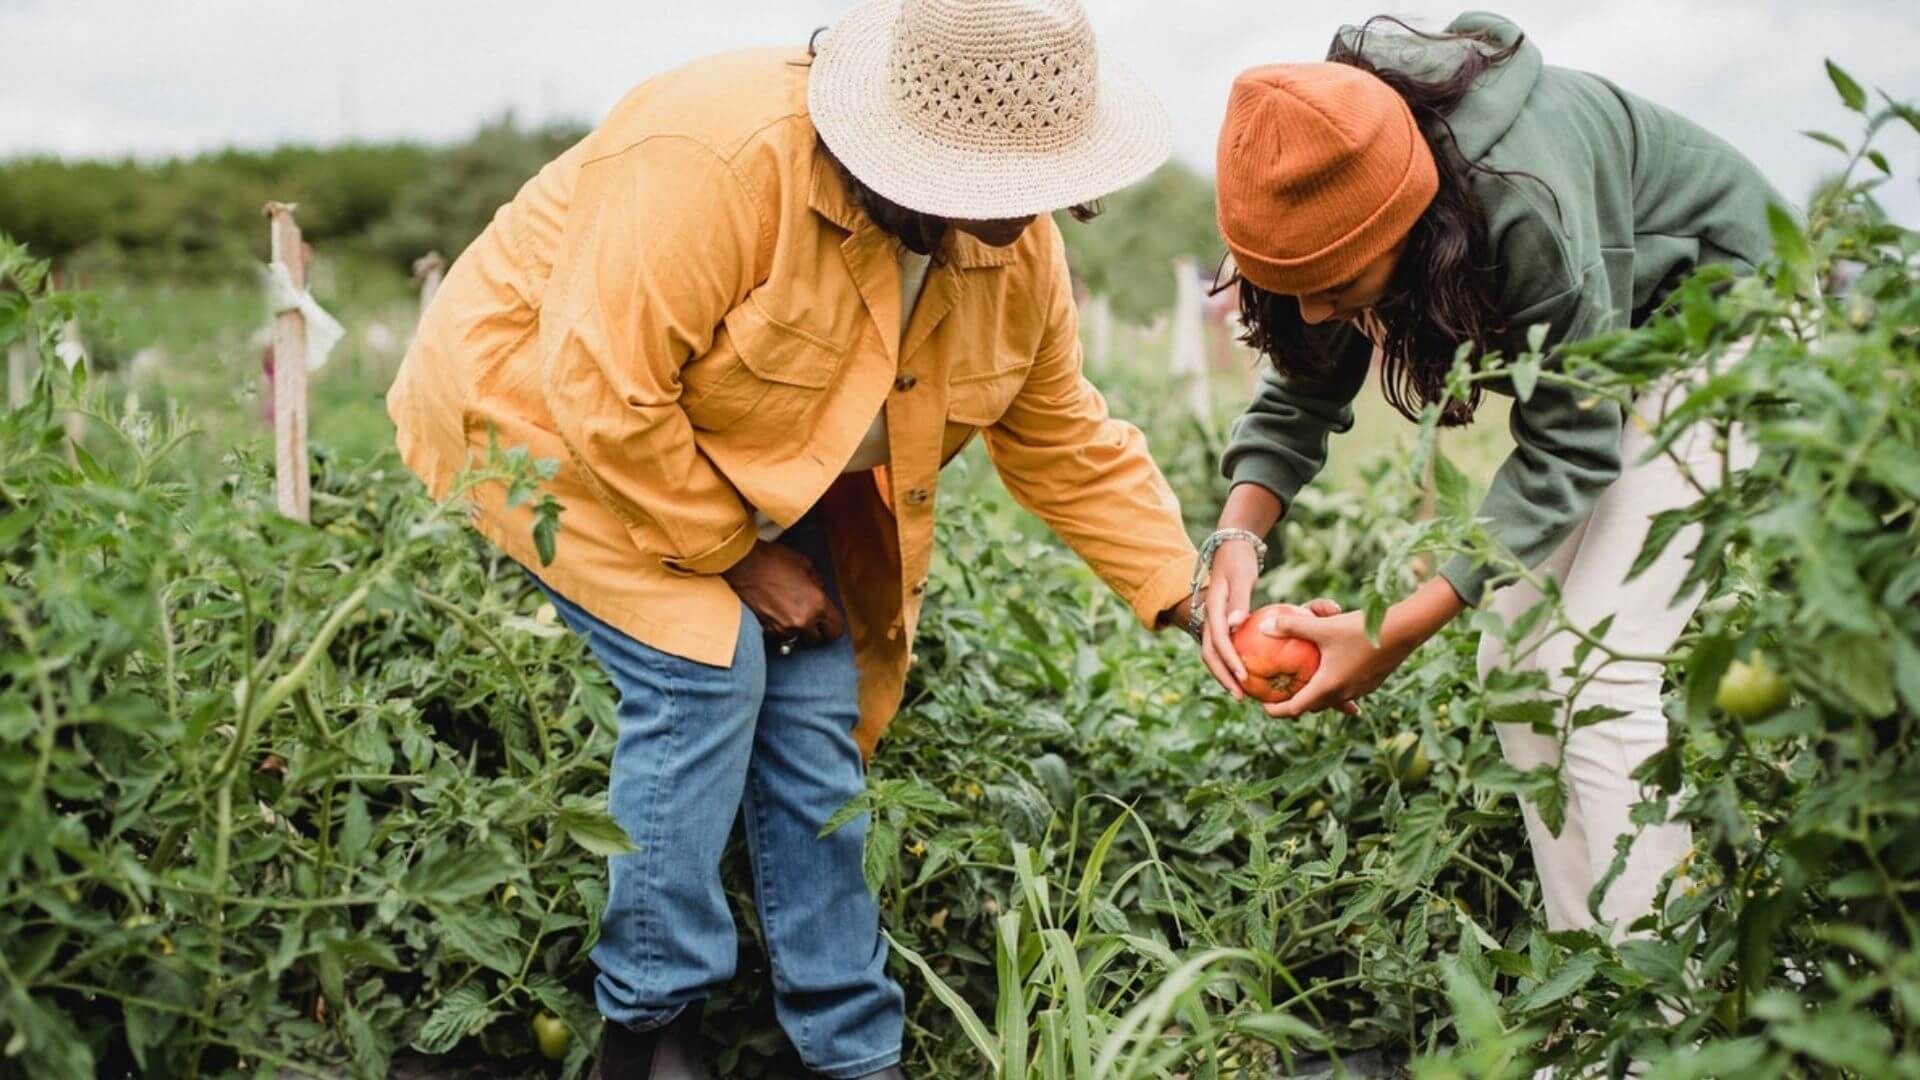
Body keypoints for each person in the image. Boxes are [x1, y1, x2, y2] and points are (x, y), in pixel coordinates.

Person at [386, 0, 1201, 1076]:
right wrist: (744, 558)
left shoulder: (1019, 251)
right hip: (547, 418)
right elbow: (606, 394)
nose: (1028, 214)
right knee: (705, 668)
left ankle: (849, 1046)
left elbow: (1061, 437)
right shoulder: (717, 161)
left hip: (741, 450)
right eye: (1000, 184)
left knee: (817, 694)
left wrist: (1190, 592)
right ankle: (649, 1027)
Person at [1195, 13, 1781, 939]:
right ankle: (1588, 988)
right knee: (1512, 658)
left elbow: (1571, 446)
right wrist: (1237, 537)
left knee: (1595, 664)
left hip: (1731, 328)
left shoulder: (1522, 199)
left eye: (1339, 287)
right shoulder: (1327, 171)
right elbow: (1302, 388)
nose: (1313, 309)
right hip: (1627, 354)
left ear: (1412, 227)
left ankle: (1665, 1020)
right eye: (1291, 284)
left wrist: (1387, 632)